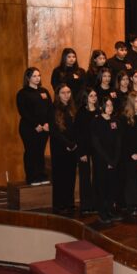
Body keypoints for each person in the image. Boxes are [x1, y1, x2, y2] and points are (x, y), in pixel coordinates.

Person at [17, 67, 53, 185]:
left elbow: (50, 109)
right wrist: (35, 125)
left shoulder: (44, 91)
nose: (37, 78)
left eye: (39, 75)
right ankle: (32, 177)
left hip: (44, 128)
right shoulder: (23, 93)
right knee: (31, 151)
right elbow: (23, 111)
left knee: (40, 152)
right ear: (28, 78)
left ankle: (41, 175)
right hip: (29, 128)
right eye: (34, 76)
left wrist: (47, 123)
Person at [90, 98, 123, 224]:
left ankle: (110, 210)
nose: (110, 107)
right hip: (101, 160)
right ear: (101, 107)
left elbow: (118, 141)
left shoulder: (115, 121)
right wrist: (108, 160)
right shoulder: (96, 121)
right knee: (102, 186)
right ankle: (102, 212)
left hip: (114, 160)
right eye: (107, 105)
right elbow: (96, 143)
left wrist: (115, 160)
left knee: (112, 186)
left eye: (111, 105)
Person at [50, 84, 79, 214]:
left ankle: (69, 202)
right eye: (63, 93)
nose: (66, 95)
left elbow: (77, 128)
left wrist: (74, 144)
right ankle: (59, 204)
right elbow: (54, 131)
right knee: (60, 176)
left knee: (70, 176)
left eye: (68, 92)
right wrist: (67, 144)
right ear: (58, 95)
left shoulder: (72, 108)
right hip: (59, 147)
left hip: (73, 147)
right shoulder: (53, 108)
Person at [75, 88, 100, 215]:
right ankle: (86, 205)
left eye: (95, 95)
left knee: (97, 176)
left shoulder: (99, 111)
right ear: (86, 98)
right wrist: (81, 152)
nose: (94, 98)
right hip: (84, 148)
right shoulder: (81, 112)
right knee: (85, 177)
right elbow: (78, 134)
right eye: (91, 96)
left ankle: (96, 203)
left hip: (97, 149)